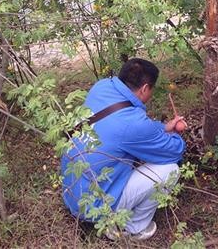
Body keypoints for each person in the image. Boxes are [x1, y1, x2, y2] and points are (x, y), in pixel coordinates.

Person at [61, 58, 186, 240]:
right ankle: (131, 228)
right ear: (144, 88)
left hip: (72, 191)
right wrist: (175, 135)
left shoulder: (102, 87)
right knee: (170, 170)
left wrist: (162, 128)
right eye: (151, 89)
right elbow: (174, 151)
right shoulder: (132, 123)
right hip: (94, 207)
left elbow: (126, 127)